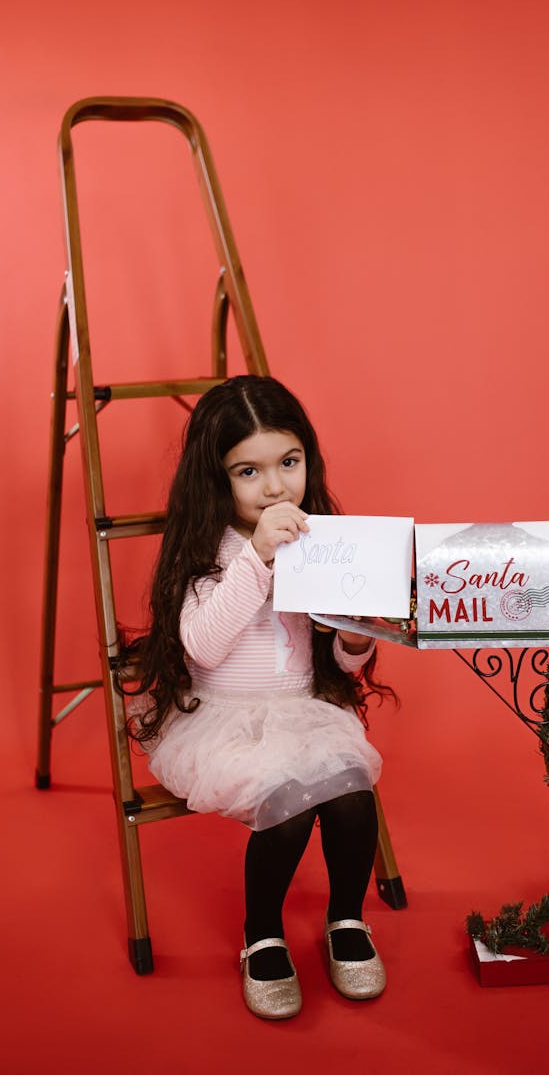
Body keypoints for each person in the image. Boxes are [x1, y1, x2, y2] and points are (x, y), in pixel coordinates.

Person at [118, 375, 395, 1020]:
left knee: (354, 796)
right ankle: (261, 934)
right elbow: (203, 647)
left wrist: (355, 631)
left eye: (289, 463)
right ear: (218, 478)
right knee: (291, 806)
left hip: (303, 707)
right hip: (224, 720)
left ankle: (347, 921)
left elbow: (344, 658)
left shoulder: (323, 543)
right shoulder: (204, 550)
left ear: (308, 460)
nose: (275, 487)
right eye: (250, 470)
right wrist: (258, 559)